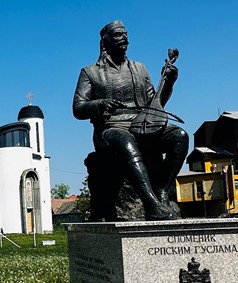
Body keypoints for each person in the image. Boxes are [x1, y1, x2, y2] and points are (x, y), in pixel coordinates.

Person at [73, 20, 188, 220]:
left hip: (143, 125)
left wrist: (168, 83)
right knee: (126, 141)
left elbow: (155, 104)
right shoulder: (90, 72)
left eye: (125, 34)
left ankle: (161, 191)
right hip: (109, 129)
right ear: (106, 41)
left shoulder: (139, 69)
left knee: (180, 136)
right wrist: (100, 104)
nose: (124, 38)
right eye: (118, 35)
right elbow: (78, 108)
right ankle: (151, 204)